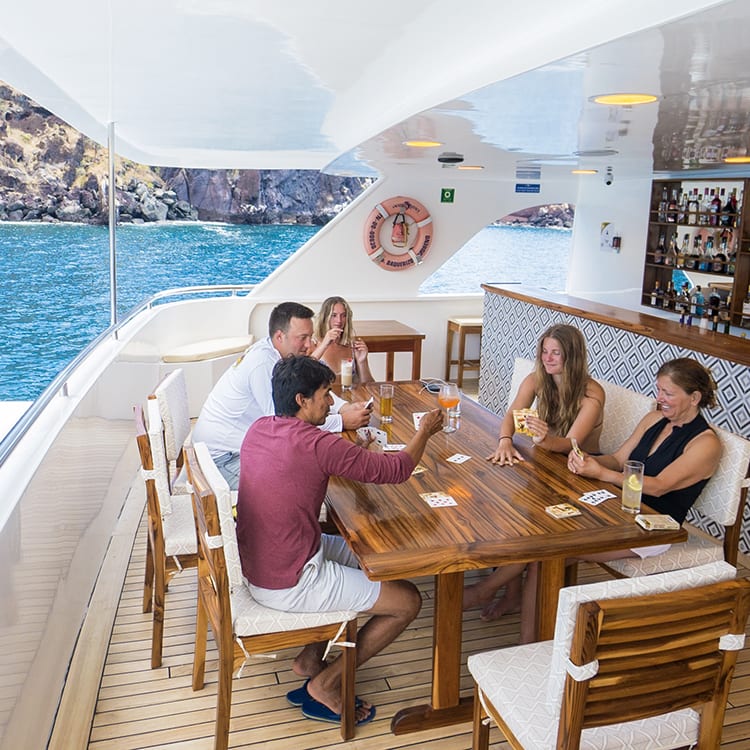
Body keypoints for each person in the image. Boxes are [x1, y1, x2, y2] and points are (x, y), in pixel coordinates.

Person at [236, 355, 443, 725]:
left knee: (369, 555)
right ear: (301, 400)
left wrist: (357, 454)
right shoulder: (317, 443)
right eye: (325, 394)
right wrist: (425, 431)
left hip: (265, 562)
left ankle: (310, 660)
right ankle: (327, 683)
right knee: (408, 601)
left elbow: (299, 471)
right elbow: (396, 469)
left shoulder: (259, 429)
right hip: (290, 581)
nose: (331, 402)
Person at [466, 324, 605, 622]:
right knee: (504, 509)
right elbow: (511, 415)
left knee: (524, 524)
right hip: (545, 464)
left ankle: (490, 589)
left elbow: (571, 444)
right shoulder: (536, 380)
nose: (547, 358)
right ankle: (511, 594)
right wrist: (505, 440)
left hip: (580, 473)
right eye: (544, 351)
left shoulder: (592, 394)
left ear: (573, 356)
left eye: (556, 353)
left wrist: (543, 440)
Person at [192, 302, 372, 489]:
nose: (308, 345)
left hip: (232, 449)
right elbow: (283, 425)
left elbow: (308, 390)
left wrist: (343, 408)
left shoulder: (275, 353)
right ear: (279, 336)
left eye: (310, 337)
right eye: (302, 338)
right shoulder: (263, 364)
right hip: (223, 460)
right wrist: (342, 421)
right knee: (302, 482)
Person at [568, 357, 721, 561]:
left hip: (655, 528)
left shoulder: (706, 444)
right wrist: (588, 460)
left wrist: (602, 474)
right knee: (552, 538)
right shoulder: (653, 419)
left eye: (668, 393)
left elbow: (659, 486)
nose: (659, 398)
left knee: (560, 550)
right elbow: (618, 460)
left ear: (694, 398)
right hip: (620, 508)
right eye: (659, 390)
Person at [310, 296, 374, 384]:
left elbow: (369, 385)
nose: (339, 320)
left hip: (348, 392)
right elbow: (303, 375)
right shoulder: (312, 343)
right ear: (325, 317)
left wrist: (362, 361)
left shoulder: (353, 345)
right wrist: (324, 344)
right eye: (334, 315)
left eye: (343, 315)